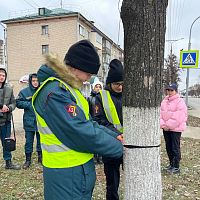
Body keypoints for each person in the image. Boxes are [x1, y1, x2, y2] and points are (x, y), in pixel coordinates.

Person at [32, 40, 123, 200]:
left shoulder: (69, 90)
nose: (88, 79)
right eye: (88, 74)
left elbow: (89, 123)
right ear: (75, 68)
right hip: (65, 176)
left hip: (76, 173)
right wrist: (122, 148)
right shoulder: (55, 93)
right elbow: (81, 132)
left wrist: (115, 137)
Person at [93, 59, 123, 200]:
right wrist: (117, 134)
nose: (120, 87)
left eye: (123, 84)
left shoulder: (130, 96)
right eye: (117, 84)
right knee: (112, 181)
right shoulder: (100, 97)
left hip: (130, 143)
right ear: (110, 83)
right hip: (111, 143)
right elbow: (98, 121)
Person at [160, 83, 187, 174]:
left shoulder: (180, 102)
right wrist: (163, 125)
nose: (169, 92)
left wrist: (168, 125)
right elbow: (160, 114)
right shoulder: (164, 101)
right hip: (166, 129)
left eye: (172, 90)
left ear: (176, 91)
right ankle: (171, 164)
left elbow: (179, 116)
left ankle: (176, 167)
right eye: (168, 90)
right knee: (168, 147)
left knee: (175, 147)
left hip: (175, 129)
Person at [16, 73, 42, 169]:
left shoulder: (42, 91)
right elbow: (18, 102)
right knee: (29, 141)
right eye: (33, 81)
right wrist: (29, 105)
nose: (35, 82)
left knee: (41, 140)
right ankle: (28, 160)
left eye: (37, 80)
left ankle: (40, 157)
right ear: (31, 82)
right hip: (29, 121)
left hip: (40, 121)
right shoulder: (24, 92)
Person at [0, 68, 20, 170]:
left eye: (3, 75)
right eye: (0, 75)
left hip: (5, 121)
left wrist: (9, 108)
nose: (1, 77)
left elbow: (14, 102)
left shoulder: (9, 88)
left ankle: (8, 162)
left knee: (6, 142)